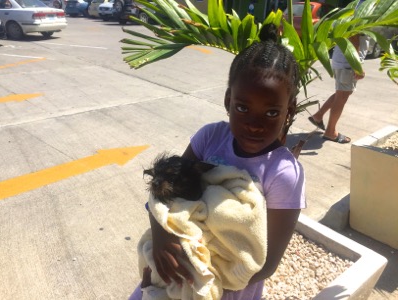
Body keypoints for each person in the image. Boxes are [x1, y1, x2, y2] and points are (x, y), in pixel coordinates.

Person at [129, 23, 306, 300]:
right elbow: (165, 187)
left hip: (226, 288)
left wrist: (200, 278)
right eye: (242, 108)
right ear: (228, 100)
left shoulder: (283, 173)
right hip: (174, 272)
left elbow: (266, 263)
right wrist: (161, 236)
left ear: (289, 110)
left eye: (271, 112)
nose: (255, 125)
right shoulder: (210, 137)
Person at [308, 0, 369, 144]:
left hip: (343, 60)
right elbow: (353, 37)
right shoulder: (364, 8)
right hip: (348, 61)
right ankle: (330, 132)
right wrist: (357, 65)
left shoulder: (356, 5)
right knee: (342, 96)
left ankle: (318, 116)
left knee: (341, 93)